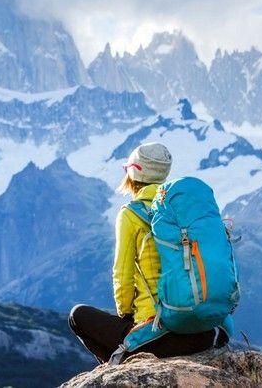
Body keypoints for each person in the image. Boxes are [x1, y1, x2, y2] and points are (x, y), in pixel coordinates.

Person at [68, 142, 227, 363]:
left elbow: (122, 279)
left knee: (78, 315)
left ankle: (120, 371)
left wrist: (128, 316)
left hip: (158, 335)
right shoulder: (182, 210)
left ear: (132, 173)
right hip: (205, 332)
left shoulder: (130, 215)